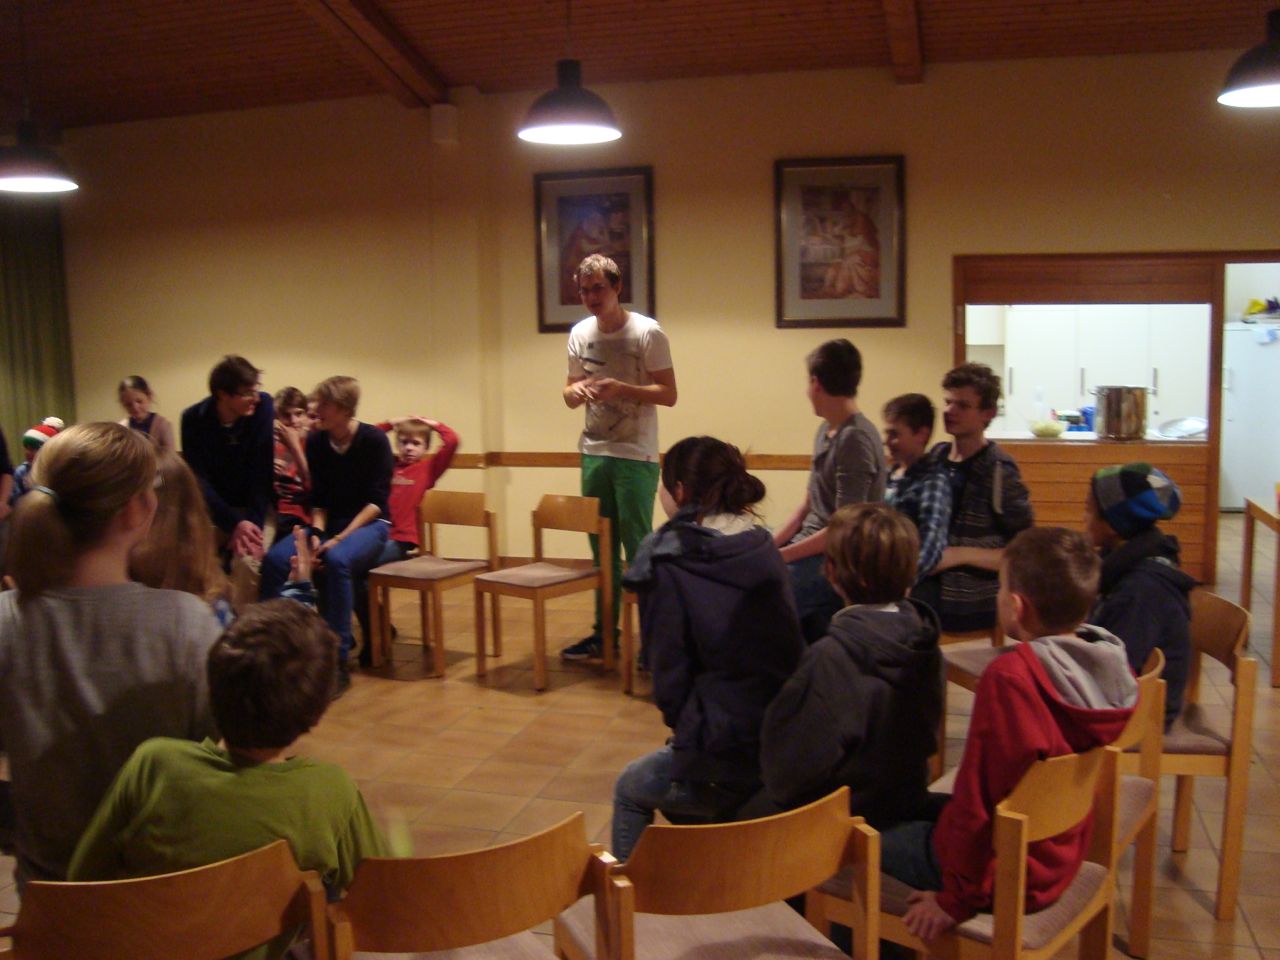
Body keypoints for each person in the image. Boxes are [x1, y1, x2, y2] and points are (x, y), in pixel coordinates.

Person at [69, 599, 390, 960]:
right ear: (316, 713)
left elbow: (80, 882)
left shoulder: (153, 765)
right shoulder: (330, 791)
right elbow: (388, 900)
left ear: (213, 684)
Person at [878, 527, 1136, 941]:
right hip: (1058, 857)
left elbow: (979, 802)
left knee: (855, 841)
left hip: (1007, 874)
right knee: (913, 805)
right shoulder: (1108, 665)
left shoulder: (1012, 679)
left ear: (1016, 606)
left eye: (1000, 588)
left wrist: (954, 900)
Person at [0, 422, 220, 885]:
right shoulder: (187, 622)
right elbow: (220, 755)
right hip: (163, 898)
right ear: (138, 509)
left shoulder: (7, 621)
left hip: (49, 901)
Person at [610, 436, 803, 860]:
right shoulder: (761, 542)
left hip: (724, 752)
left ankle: (628, 897)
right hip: (782, 739)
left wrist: (687, 733)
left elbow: (669, 680)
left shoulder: (670, 560)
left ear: (679, 492)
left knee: (629, 789)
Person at [752, 503, 942, 826]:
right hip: (903, 801)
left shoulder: (830, 658)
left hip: (842, 820)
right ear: (911, 572)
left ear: (831, 572)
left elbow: (786, 775)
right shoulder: (925, 641)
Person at [560, 252, 677, 662]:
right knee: (601, 548)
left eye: (598, 288)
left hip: (635, 454)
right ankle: (604, 635)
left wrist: (622, 389)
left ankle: (652, 641)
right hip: (594, 450)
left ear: (617, 287)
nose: (592, 297)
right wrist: (575, 392)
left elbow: (669, 394)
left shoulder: (647, 332)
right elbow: (568, 393)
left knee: (638, 547)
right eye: (584, 290)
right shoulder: (579, 333)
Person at [259, 376, 392, 695]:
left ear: (344, 409)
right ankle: (270, 652)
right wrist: (318, 533)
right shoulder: (318, 441)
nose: (316, 409)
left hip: (369, 525)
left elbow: (376, 503)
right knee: (275, 560)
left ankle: (336, 662)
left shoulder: (374, 440)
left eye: (324, 404)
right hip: (328, 524)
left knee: (336, 560)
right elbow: (318, 500)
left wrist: (339, 538)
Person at [773, 338, 887, 642]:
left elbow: (843, 528)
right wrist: (770, 546)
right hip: (814, 541)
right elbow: (807, 505)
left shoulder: (855, 439)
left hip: (841, 556)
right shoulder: (826, 430)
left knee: (764, 591)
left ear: (816, 383)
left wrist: (782, 557)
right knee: (747, 552)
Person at [915, 363, 1033, 632]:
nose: (949, 411)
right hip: (927, 576)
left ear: (987, 414)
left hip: (970, 594)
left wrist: (959, 554)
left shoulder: (999, 470)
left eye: (963, 405)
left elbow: (1023, 552)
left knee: (903, 610)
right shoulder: (935, 456)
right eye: (948, 402)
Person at [1085, 462, 1194, 728]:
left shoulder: (1141, 590)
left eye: (1089, 510)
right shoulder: (1123, 563)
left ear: (1113, 524)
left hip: (1141, 716)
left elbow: (1114, 674)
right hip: (1124, 699)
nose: (1084, 519)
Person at [181, 355, 275, 561]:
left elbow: (262, 472)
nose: (256, 398)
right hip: (214, 507)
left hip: (255, 507)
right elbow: (198, 479)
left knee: (250, 561)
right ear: (223, 395)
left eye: (256, 389)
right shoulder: (193, 419)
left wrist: (251, 526)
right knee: (193, 557)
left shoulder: (263, 407)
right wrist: (234, 523)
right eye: (247, 393)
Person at [882, 393, 951, 586]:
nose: (886, 441)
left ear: (922, 435)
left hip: (907, 584)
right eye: (886, 433)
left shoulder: (932, 480)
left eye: (894, 434)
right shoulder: (888, 476)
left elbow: (931, 544)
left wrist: (901, 581)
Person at [373, 416, 459, 564]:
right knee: (350, 556)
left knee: (367, 561)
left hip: (402, 537)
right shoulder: (388, 464)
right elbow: (369, 439)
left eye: (416, 443)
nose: (409, 448)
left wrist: (434, 424)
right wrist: (390, 424)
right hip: (377, 530)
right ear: (397, 444)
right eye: (404, 442)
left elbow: (452, 441)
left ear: (425, 447)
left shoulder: (428, 469)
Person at [272, 386, 312, 544]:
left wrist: (295, 446)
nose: (294, 421)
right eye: (286, 415)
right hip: (272, 509)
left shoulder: (314, 443)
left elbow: (316, 490)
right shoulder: (270, 443)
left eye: (299, 414)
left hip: (298, 514)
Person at [9, 417, 64, 504]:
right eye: (26, 448)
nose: (28, 453)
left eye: (33, 449)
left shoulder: (58, 471)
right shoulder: (22, 472)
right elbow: (15, 501)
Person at [117, 375, 175, 451]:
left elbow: (170, 454)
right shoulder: (122, 427)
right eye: (129, 404)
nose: (135, 407)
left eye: (139, 401)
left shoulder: (163, 425)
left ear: (149, 397)